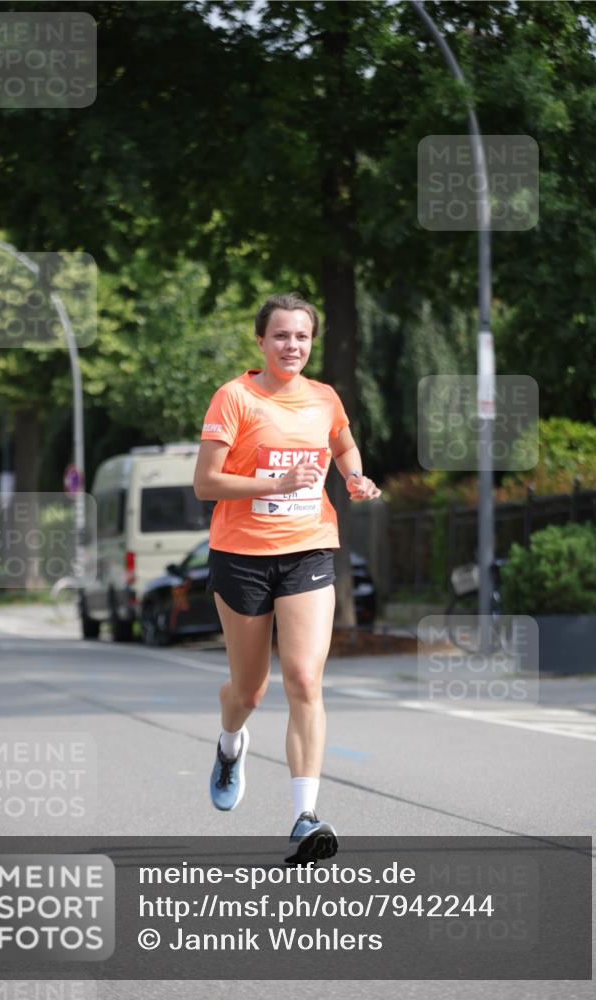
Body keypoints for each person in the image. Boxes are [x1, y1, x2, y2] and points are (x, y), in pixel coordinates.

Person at [193, 292, 380, 864]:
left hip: (308, 551)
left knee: (304, 679)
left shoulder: (325, 398)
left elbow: (343, 442)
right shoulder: (235, 397)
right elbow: (206, 483)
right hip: (242, 556)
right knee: (249, 690)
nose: (291, 345)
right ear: (261, 341)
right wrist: (272, 486)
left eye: (301, 336)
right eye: (280, 335)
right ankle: (230, 745)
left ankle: (305, 816)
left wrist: (354, 477)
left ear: (311, 341)